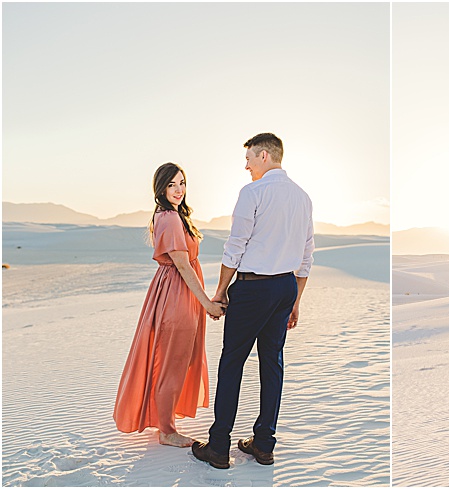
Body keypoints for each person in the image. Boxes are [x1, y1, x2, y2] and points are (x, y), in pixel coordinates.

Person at [192, 133, 315, 469]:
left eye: (248, 158)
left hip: (252, 289)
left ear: (264, 155)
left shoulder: (253, 192)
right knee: (272, 363)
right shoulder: (303, 197)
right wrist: (297, 300)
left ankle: (218, 448)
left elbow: (235, 247)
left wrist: (219, 291)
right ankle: (263, 445)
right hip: (285, 288)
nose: (246, 165)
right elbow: (307, 255)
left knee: (232, 362)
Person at [114, 163, 225, 447]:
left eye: (182, 183)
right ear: (161, 188)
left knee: (176, 358)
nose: (179, 190)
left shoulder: (173, 215)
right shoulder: (170, 218)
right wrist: (208, 304)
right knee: (173, 361)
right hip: (177, 294)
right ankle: (166, 430)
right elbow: (183, 266)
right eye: (172, 185)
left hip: (178, 293)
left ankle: (165, 421)